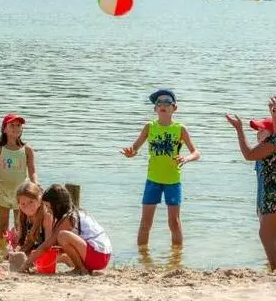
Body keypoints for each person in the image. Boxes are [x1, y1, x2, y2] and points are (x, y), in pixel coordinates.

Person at [226, 92, 276, 273]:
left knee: (266, 234)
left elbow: (249, 154)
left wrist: (239, 130)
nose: (273, 110)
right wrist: (275, 114)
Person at [121, 89, 201, 247]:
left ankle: (177, 259)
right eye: (159, 103)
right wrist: (130, 153)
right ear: (155, 108)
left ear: (174, 108)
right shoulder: (149, 127)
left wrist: (186, 158)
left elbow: (196, 152)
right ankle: (142, 257)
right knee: (145, 223)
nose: (163, 105)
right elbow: (135, 148)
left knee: (174, 223)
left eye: (167, 103)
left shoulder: (180, 129)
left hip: (173, 181)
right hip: (153, 180)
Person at [21, 184, 112, 275]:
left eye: (48, 207)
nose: (47, 210)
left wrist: (27, 263)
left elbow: (46, 245)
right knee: (61, 239)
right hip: (103, 256)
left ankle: (80, 269)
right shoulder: (75, 212)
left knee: (62, 235)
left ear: (57, 205)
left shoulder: (69, 218)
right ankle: (83, 268)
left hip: (98, 256)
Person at [0, 113, 37, 243]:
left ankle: (17, 251)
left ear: (22, 129)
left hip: (21, 193)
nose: (15, 128)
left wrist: (35, 184)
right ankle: (0, 252)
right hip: (2, 191)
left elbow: (32, 171)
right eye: (12, 125)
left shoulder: (27, 149)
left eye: (18, 125)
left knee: (19, 225)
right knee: (2, 226)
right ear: (4, 129)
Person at [250, 117, 276, 263]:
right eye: (257, 130)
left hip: (275, 201)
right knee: (267, 235)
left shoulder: (274, 152)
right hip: (262, 201)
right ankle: (272, 263)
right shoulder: (258, 154)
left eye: (262, 130)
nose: (258, 133)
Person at [14, 181, 47, 256]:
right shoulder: (23, 216)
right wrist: (17, 251)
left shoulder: (47, 216)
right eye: (23, 204)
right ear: (18, 204)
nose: (27, 207)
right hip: (38, 248)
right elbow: (30, 242)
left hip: (52, 249)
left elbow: (49, 244)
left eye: (31, 202)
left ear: (39, 199)